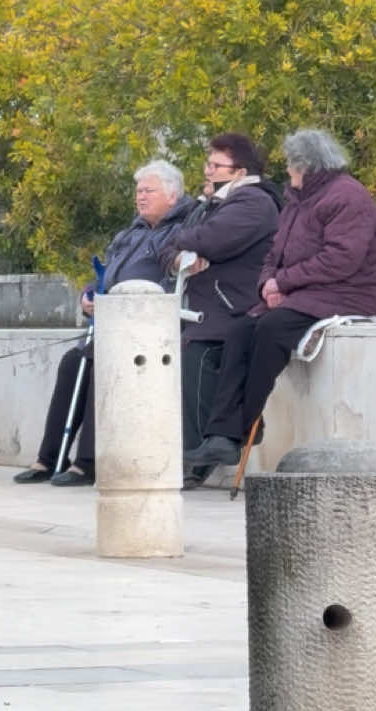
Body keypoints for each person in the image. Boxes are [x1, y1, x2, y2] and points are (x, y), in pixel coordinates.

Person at [184, 128, 376, 470]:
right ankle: (220, 436)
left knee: (271, 330)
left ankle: (243, 425)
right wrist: (268, 283)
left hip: (346, 294)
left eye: (291, 165)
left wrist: (284, 282)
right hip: (303, 294)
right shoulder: (297, 200)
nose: (287, 171)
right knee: (239, 332)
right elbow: (273, 253)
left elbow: (342, 259)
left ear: (306, 165)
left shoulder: (347, 197)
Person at [13, 159, 196, 487]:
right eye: (138, 191)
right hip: (111, 321)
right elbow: (106, 272)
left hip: (148, 327)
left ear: (172, 195)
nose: (140, 197)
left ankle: (88, 462)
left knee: (99, 361)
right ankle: (50, 456)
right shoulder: (131, 232)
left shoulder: (182, 231)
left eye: (148, 191)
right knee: (72, 362)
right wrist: (88, 296)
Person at [159, 133, 280, 488]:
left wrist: (184, 241)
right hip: (205, 308)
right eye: (207, 164)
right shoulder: (212, 204)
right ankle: (198, 449)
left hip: (232, 307)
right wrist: (180, 253)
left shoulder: (253, 203)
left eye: (215, 165)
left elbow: (209, 240)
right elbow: (170, 244)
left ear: (239, 171)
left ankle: (204, 449)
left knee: (194, 357)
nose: (208, 171)